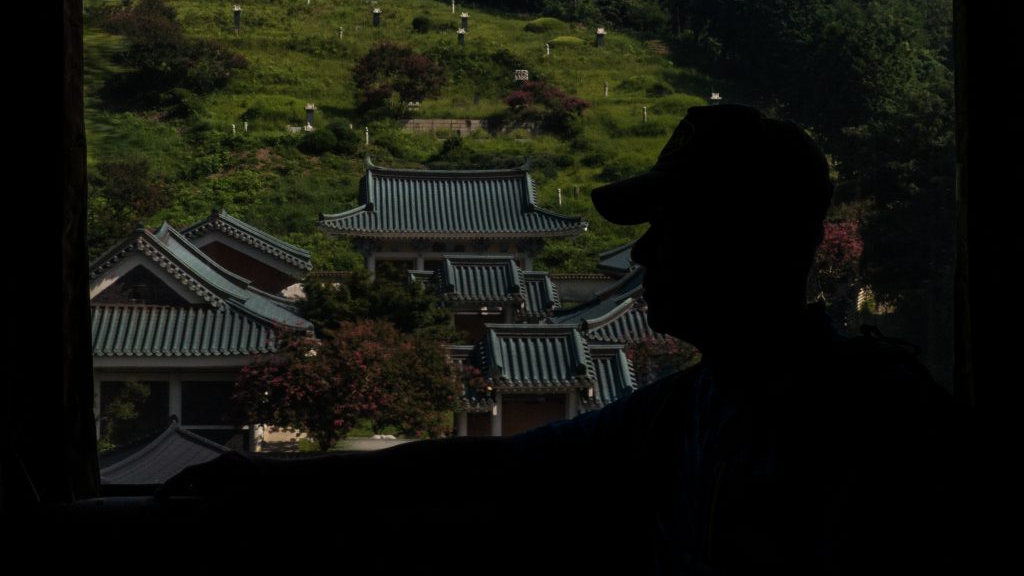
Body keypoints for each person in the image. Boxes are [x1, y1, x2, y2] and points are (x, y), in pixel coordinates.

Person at [160, 104, 953, 573]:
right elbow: (496, 461)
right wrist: (281, 479)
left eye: (674, 228)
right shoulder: (688, 406)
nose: (641, 254)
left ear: (764, 242)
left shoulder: (879, 417)